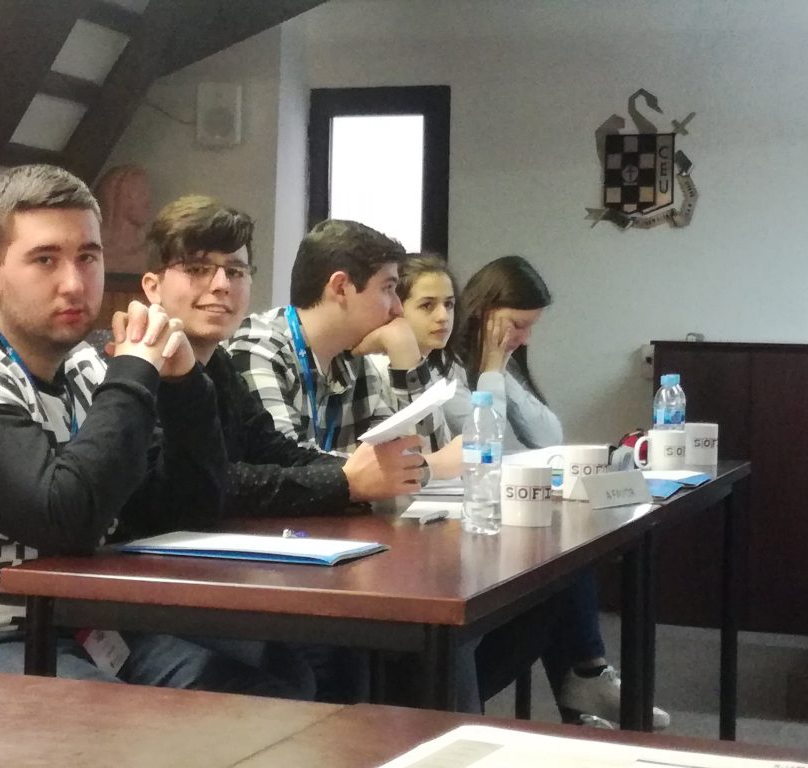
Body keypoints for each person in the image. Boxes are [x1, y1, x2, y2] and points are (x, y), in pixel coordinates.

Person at [0, 165, 309, 699]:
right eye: (45, 259)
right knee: (110, 722)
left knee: (278, 684)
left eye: (88, 257)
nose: (73, 283)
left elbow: (180, 515)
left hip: (70, 622)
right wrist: (134, 372)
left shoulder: (86, 367)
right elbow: (65, 517)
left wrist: (183, 388)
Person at [387, 253, 670, 729]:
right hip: (435, 532)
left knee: (562, 563)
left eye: (450, 305)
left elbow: (548, 434)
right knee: (555, 562)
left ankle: (584, 683)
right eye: (517, 325)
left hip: (472, 515)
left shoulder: (475, 363)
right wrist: (490, 369)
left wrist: (499, 366)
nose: (443, 317)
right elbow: (488, 444)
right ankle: (578, 684)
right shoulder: (435, 373)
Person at [139, 195, 426, 515]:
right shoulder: (138, 368)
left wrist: (360, 474)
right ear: (153, 287)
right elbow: (201, 485)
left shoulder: (219, 366)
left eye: (235, 271)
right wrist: (347, 481)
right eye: (197, 268)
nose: (221, 285)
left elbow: (274, 452)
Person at [227, 219, 459, 481]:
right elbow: (289, 471)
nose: (397, 308)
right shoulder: (260, 348)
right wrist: (428, 466)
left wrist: (406, 355)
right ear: (340, 288)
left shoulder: (353, 361)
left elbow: (428, 456)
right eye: (388, 289)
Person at [95, 164, 152, 274]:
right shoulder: (96, 252)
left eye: (147, 193)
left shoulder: (150, 253)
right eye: (140, 193)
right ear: (119, 198)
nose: (147, 201)